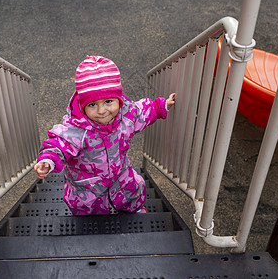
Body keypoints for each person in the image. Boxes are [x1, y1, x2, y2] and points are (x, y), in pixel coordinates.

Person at [34, 56, 175, 215]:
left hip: (120, 175)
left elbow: (143, 111)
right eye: (92, 105)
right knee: (88, 208)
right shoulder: (76, 129)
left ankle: (134, 209)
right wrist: (48, 160)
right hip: (88, 186)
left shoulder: (126, 114)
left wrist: (162, 105)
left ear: (118, 99)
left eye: (108, 101)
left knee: (131, 192)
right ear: (82, 105)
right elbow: (58, 144)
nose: (101, 111)